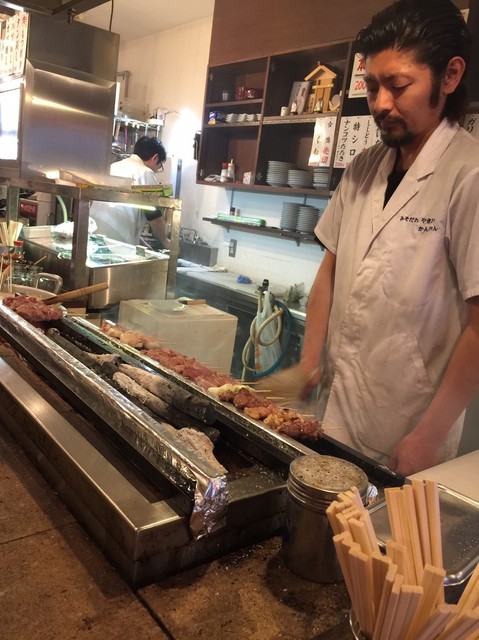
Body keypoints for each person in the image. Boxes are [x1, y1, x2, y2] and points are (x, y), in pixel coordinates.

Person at [297, 0, 479, 476]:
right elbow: (330, 270)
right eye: (373, 86)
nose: (380, 103)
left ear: (450, 75)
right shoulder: (363, 167)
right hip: (334, 407)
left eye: (398, 86)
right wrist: (310, 359)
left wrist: (429, 435)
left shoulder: (469, 175)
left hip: (408, 430)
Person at [90, 136, 171, 249]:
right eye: (159, 166)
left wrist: (142, 243)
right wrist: (165, 241)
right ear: (155, 158)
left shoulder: (113, 167)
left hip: (93, 239)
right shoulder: (146, 173)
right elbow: (154, 218)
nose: (157, 170)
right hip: (115, 246)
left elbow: (122, 214)